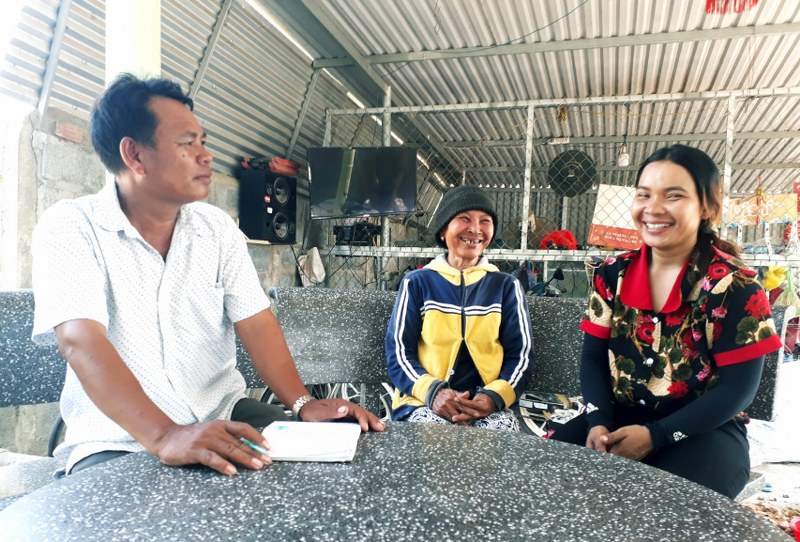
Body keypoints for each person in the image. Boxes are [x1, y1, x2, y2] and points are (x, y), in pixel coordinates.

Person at [30, 74, 384, 477]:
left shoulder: (216, 229)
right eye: (188, 143)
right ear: (134, 155)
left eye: (203, 141)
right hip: (120, 437)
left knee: (333, 462)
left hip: (224, 414)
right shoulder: (72, 227)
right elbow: (80, 341)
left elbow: (256, 322)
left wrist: (303, 404)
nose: (206, 156)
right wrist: (165, 435)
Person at [567, 144, 782, 498]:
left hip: (704, 430)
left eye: (673, 195)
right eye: (644, 194)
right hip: (619, 418)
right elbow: (592, 359)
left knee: (667, 507)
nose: (653, 208)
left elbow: (737, 390)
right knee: (544, 476)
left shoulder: (736, 286)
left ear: (707, 207)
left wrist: (657, 436)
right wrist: (597, 420)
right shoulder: (611, 274)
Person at [385, 185, 534, 430]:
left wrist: (494, 397)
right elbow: (398, 352)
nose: (475, 229)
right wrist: (433, 392)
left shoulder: (506, 286)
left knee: (500, 435)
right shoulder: (418, 283)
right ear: (444, 231)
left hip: (486, 405)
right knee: (431, 436)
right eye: (464, 218)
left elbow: (521, 355)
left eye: (485, 221)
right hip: (423, 402)